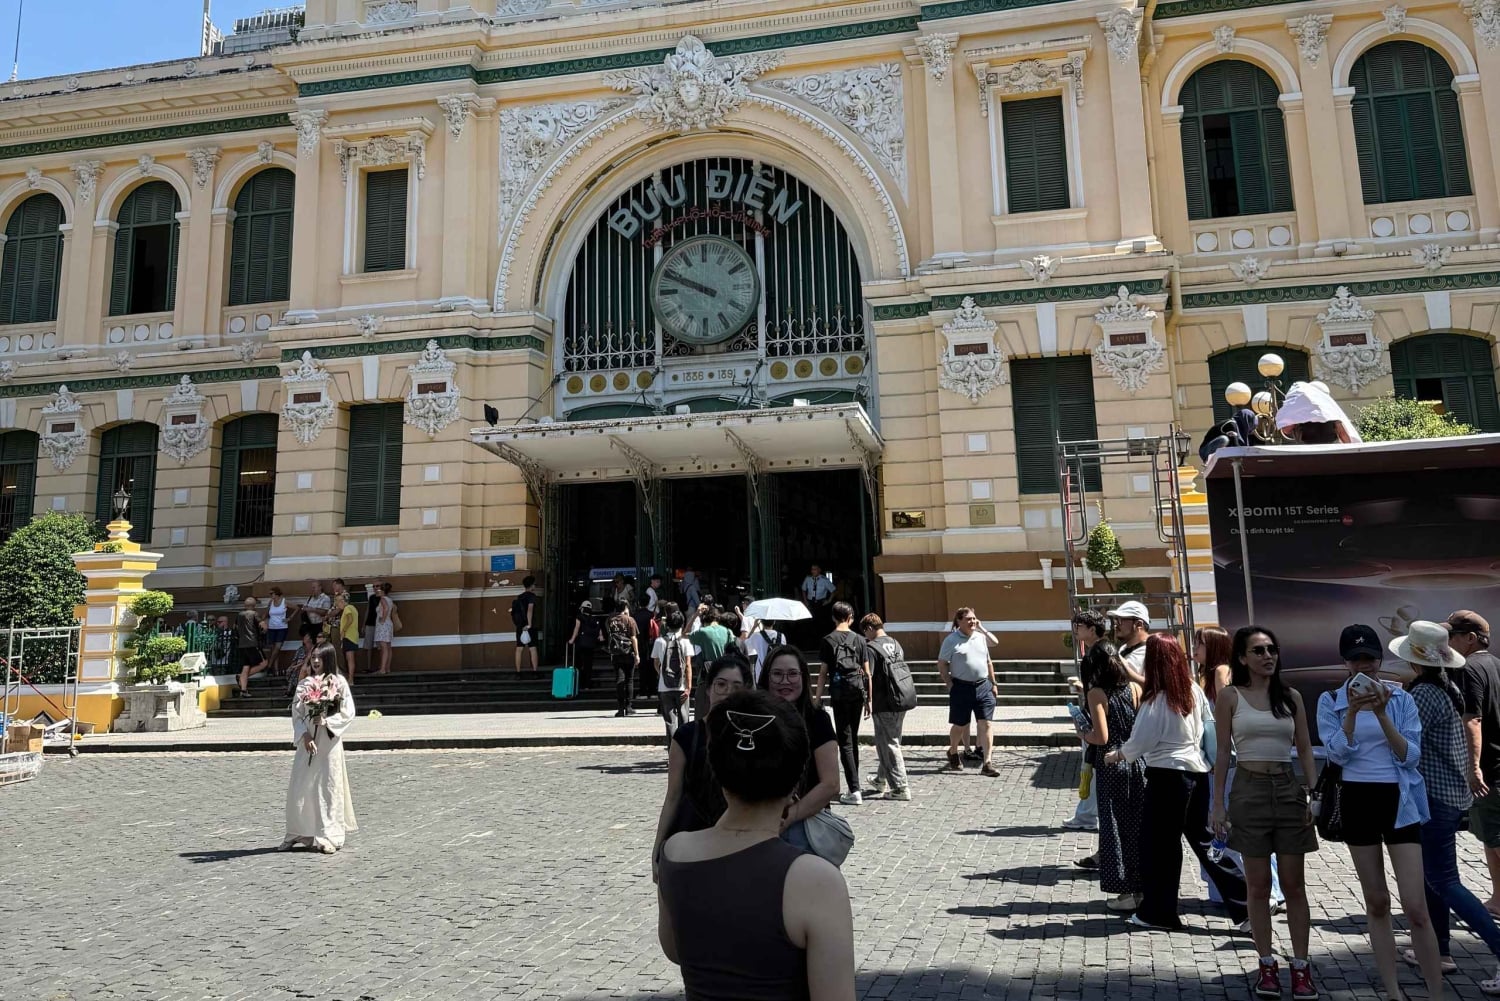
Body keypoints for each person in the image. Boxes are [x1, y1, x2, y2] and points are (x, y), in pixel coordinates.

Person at [657, 690, 856, 1001]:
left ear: (717, 771)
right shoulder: (816, 880)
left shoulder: (675, 852)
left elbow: (674, 950)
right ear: (795, 782)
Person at [1317, 623, 1443, 1001]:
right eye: (1357, 660)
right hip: (1357, 800)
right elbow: (1337, 753)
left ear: (1380, 659)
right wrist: (1353, 713)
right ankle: (1392, 990)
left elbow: (1411, 756)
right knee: (1377, 902)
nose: (1365, 666)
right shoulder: (1330, 701)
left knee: (1416, 905)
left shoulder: (1401, 698)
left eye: (1370, 658)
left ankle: (1436, 991)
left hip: (1399, 800)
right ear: (1345, 663)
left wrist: (1384, 713)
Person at [1105, 634, 1248, 931]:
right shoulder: (1192, 690)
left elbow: (1140, 742)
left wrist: (1116, 755)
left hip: (1167, 777)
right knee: (1204, 841)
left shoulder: (1157, 699)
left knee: (1158, 849)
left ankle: (1159, 912)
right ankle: (1247, 905)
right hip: (1195, 773)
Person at [1210, 626, 1319, 1001]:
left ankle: (1301, 967)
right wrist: (1218, 803)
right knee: (1257, 887)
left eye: (1272, 649)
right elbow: (1223, 752)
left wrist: (1313, 793)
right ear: (1242, 658)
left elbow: (1305, 748)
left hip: (1288, 790)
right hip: (1249, 791)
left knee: (1294, 886)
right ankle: (1266, 963)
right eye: (1258, 651)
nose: (1267, 656)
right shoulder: (1230, 697)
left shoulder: (1290, 697)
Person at [1403, 619, 1500, 994]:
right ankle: (1439, 949)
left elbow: (1406, 744)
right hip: (1447, 795)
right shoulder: (1446, 688)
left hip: (1434, 797)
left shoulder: (1423, 693)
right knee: (1434, 877)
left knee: (1444, 880)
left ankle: (1494, 945)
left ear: (1414, 660)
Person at [652, 656, 754, 878]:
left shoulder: (752, 737)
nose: (727, 692)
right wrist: (658, 847)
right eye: (721, 684)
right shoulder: (686, 736)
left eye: (736, 687)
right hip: (692, 836)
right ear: (708, 689)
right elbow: (673, 796)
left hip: (739, 842)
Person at [1080, 643, 1145, 913]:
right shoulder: (1134, 689)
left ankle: (1126, 891)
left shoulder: (1097, 693)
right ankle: (1142, 887)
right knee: (1137, 827)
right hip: (1137, 762)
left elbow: (1102, 737)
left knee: (1115, 829)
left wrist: (1082, 732)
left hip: (1111, 765)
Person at [759, 645, 841, 852]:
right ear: (766, 678)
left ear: (803, 678)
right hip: (758, 826)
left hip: (807, 828)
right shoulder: (754, 721)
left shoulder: (817, 720)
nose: (785, 681)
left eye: (792, 674)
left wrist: (789, 817)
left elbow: (831, 784)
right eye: (777, 674)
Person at [1445, 610, 1500, 915]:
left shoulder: (1468, 669)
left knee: (1496, 835)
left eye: (1454, 636)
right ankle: (1498, 899)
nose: (1450, 642)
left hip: (1489, 769)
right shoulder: (1496, 665)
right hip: (1496, 764)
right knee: (1489, 836)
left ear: (1470, 638)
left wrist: (1473, 767)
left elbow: (1473, 719)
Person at [282, 643, 357, 854]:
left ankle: (328, 833)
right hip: (309, 743)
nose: (315, 661)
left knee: (328, 786)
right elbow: (297, 714)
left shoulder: (338, 682)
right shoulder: (305, 683)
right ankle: (299, 831)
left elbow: (348, 712)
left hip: (329, 743)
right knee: (301, 784)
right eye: (313, 657)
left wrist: (327, 722)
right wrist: (304, 734)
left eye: (320, 657)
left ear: (328, 659)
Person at [816, 601, 872, 805]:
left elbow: (823, 674)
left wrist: (817, 698)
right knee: (853, 738)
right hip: (857, 692)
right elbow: (867, 673)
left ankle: (854, 789)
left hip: (839, 693)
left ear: (833, 617)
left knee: (845, 741)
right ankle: (854, 785)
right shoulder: (860, 639)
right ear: (851, 618)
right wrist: (869, 700)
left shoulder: (828, 640)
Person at [938, 607, 1000, 777]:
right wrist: (949, 683)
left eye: (974, 618)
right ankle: (952, 751)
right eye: (968, 619)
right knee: (960, 725)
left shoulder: (980, 637)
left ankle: (987, 763)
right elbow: (942, 663)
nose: (972, 622)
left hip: (983, 686)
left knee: (986, 724)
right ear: (959, 621)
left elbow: (989, 660)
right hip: (961, 687)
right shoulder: (951, 641)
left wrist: (993, 683)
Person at [861, 613, 914, 802]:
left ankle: (900, 787)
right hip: (902, 696)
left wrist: (867, 700)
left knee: (889, 743)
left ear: (869, 628)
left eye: (865, 632)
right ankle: (880, 779)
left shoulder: (871, 648)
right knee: (891, 739)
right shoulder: (895, 643)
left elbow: (869, 676)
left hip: (884, 700)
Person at [1065, 608, 1110, 832]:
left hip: (1097, 718)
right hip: (1097, 713)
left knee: (1091, 766)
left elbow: (1102, 688)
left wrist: (1088, 692)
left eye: (1079, 626)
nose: (1075, 630)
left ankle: (1088, 816)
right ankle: (1087, 814)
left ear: (1092, 629)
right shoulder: (1102, 650)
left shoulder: (1096, 654)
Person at [653, 609, 693, 748]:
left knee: (670, 722)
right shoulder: (685, 642)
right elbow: (688, 665)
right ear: (682, 624)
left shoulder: (659, 641)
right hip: (682, 686)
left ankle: (672, 751)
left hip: (664, 687)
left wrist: (662, 675)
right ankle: (685, 750)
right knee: (685, 720)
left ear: (667, 625)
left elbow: (656, 663)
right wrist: (688, 687)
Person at [688, 606, 732, 718]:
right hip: (725, 676)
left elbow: (686, 633)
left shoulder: (703, 632)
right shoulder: (727, 632)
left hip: (706, 678)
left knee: (701, 714)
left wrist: (695, 615)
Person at [606, 598, 641, 718]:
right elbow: (634, 638)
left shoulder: (610, 620)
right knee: (629, 680)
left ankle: (620, 708)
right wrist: (637, 654)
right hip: (628, 652)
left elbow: (608, 634)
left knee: (619, 679)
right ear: (625, 607)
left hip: (616, 653)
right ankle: (629, 706)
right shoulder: (630, 620)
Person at [1107, 601, 1151, 684]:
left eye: (1120, 620)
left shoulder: (1153, 650)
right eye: (1115, 620)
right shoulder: (1123, 648)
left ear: (1138, 624)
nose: (1116, 625)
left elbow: (1155, 686)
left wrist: (1124, 668)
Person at [235, 596, 267, 696]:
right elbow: (263, 626)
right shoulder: (254, 614)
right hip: (253, 644)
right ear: (254, 606)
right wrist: (264, 631)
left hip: (242, 645)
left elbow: (235, 628)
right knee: (264, 663)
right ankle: (241, 677)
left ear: (245, 605)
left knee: (246, 666)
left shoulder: (239, 615)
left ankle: (243, 690)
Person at [567, 600, 602, 691]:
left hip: (581, 644)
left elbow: (576, 629)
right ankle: (587, 684)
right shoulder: (594, 619)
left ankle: (578, 683)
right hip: (591, 644)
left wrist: (572, 640)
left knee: (579, 664)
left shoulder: (579, 617)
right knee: (588, 664)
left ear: (582, 609)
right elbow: (599, 630)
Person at [1195, 626, 1233, 703]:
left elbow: (1226, 710)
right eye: (1195, 643)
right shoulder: (1212, 674)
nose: (1194, 647)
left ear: (1212, 646)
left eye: (1199, 643)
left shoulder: (1222, 670)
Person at [511, 575, 539, 675]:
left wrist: (521, 625)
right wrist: (529, 624)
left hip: (520, 626)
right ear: (531, 586)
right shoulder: (532, 596)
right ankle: (535, 672)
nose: (535, 586)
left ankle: (518, 672)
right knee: (533, 648)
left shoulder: (520, 597)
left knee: (519, 649)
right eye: (534, 584)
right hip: (529, 626)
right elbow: (530, 611)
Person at [801, 564, 836, 641]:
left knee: (821, 622)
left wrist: (829, 600)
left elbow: (833, 590)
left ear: (819, 570)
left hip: (820, 603)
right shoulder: (808, 579)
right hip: (810, 603)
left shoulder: (824, 580)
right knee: (809, 621)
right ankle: (810, 639)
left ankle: (821, 639)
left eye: (815, 569)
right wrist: (805, 601)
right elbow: (803, 589)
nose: (813, 571)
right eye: (812, 569)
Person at [265, 586, 291, 674]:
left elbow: (297, 608)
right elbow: (266, 613)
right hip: (272, 627)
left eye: (271, 593)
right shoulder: (270, 602)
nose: (270, 595)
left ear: (276, 593)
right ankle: (276, 670)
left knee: (277, 647)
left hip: (282, 627)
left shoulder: (284, 601)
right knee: (274, 650)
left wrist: (289, 618)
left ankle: (269, 665)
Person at [373, 582, 397, 675]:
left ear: (382, 591)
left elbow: (386, 609)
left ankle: (382, 669)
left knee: (384, 646)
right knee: (388, 646)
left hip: (383, 624)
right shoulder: (390, 600)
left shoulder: (382, 599)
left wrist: (382, 619)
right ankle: (387, 668)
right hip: (388, 623)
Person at [299, 580, 332, 646]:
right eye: (312, 588)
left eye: (314, 587)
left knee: (321, 645)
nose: (312, 589)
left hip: (321, 626)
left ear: (320, 587)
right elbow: (304, 608)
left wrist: (312, 609)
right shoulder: (310, 598)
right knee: (307, 642)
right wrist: (304, 609)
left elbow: (325, 612)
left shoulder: (325, 598)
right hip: (310, 625)